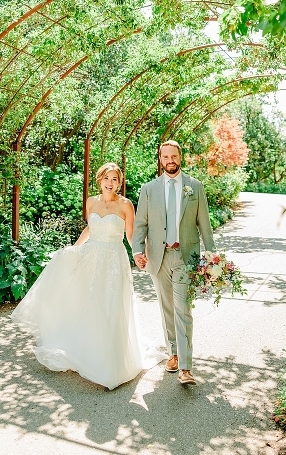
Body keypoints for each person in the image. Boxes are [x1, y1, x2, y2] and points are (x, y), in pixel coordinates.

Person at [11, 162, 165, 390]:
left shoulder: (125, 205)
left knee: (111, 305)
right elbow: (90, 228)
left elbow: (131, 236)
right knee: (88, 304)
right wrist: (73, 248)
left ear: (119, 182)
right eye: (106, 178)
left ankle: (112, 364)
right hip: (91, 256)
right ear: (99, 179)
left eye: (114, 179)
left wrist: (139, 254)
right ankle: (89, 354)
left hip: (114, 259)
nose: (110, 183)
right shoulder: (91, 202)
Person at [132, 140, 215, 385]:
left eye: (174, 156)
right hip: (158, 258)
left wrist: (211, 256)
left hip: (185, 257)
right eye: (165, 156)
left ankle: (186, 368)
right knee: (167, 309)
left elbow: (205, 225)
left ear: (181, 157)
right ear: (160, 159)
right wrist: (138, 251)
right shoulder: (148, 189)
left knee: (183, 310)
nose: (170, 161)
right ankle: (174, 354)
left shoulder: (195, 187)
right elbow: (141, 224)